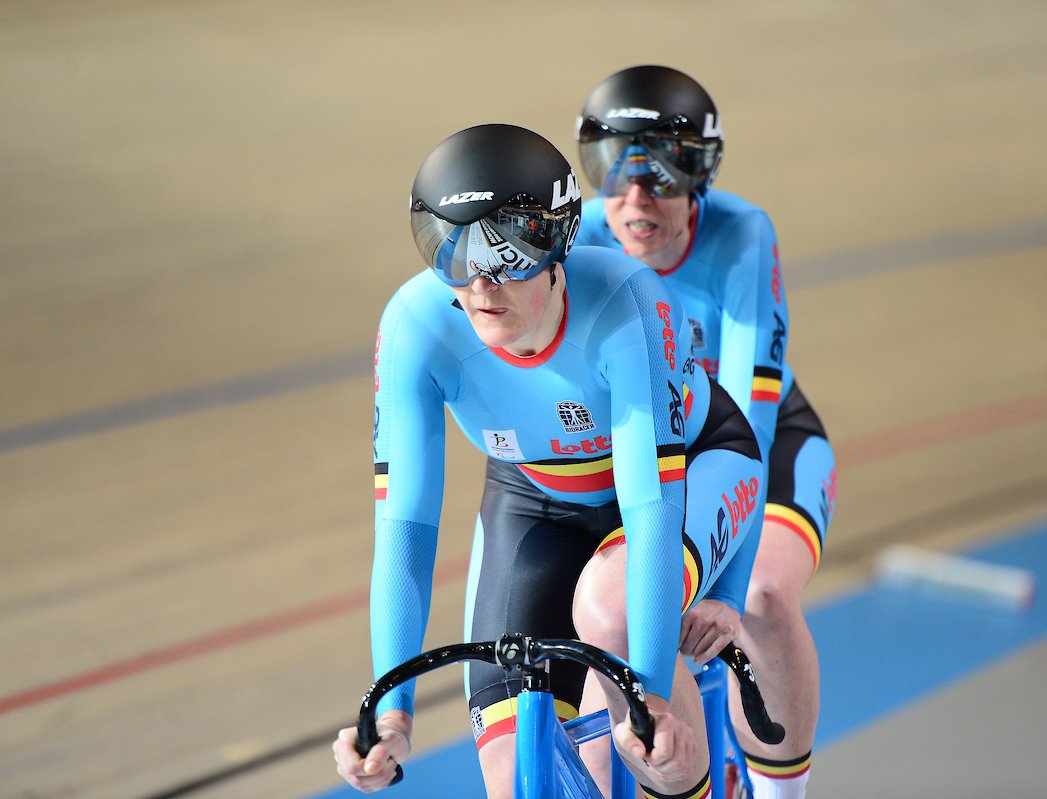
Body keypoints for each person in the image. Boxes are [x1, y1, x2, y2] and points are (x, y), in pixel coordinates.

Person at [332, 122, 768, 799]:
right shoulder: (413, 324)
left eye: (506, 252)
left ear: (558, 243)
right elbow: (406, 531)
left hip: (694, 468)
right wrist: (391, 713)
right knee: (510, 776)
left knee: (618, 625)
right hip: (536, 503)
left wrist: (648, 694)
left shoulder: (626, 302)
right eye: (452, 251)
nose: (480, 282)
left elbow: (652, 511)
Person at [573, 65, 837, 799]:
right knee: (614, 628)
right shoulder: (577, 238)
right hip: (643, 453)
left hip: (754, 441)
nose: (634, 200)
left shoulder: (741, 234)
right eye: (612, 173)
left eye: (661, 177)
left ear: (699, 179)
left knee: (764, 599)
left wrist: (723, 584)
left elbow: (749, 426)